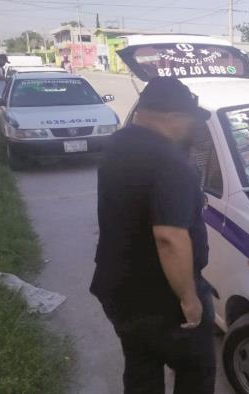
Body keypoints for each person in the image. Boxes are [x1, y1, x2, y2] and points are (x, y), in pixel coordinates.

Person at [91, 77, 215, 394]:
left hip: (120, 292)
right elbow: (169, 238)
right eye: (190, 120)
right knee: (196, 373)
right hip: (162, 299)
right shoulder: (170, 162)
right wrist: (188, 299)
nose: (192, 129)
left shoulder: (118, 145)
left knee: (141, 369)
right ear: (173, 118)